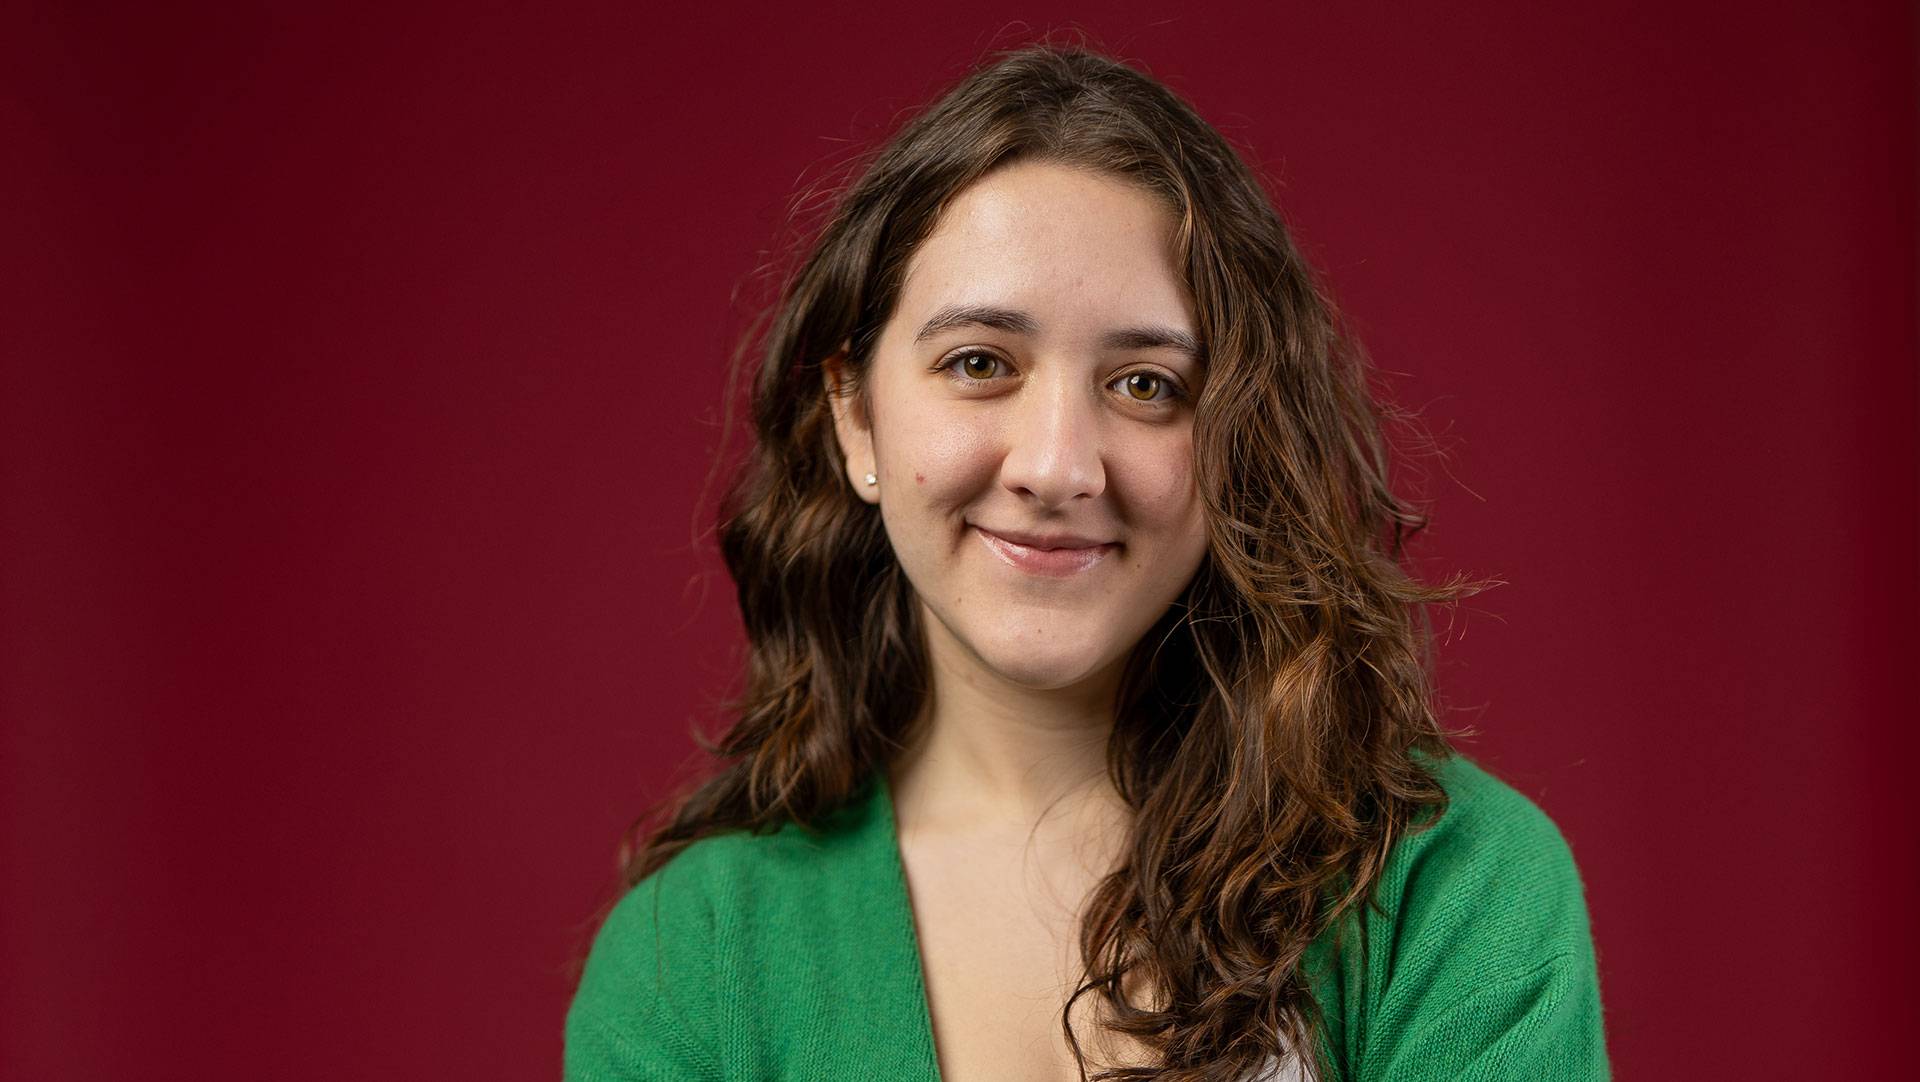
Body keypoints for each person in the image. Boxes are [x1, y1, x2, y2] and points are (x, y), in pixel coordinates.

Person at [563, 37, 1610, 1082]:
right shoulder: (688, 964)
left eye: (1147, 383)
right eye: (979, 363)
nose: (1058, 465)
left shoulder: (1454, 888)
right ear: (855, 416)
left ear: (1236, 436)